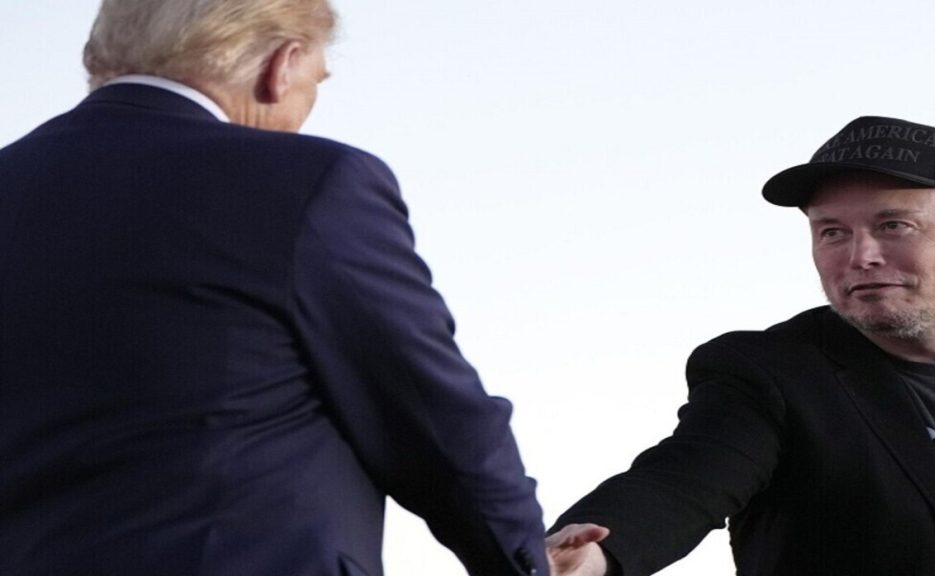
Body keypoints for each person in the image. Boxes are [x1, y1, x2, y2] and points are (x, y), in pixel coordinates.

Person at [0, 1, 546, 575]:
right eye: (317, 81)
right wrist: (525, 559)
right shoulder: (308, 184)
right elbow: (431, 416)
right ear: (281, 65)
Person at [545, 115, 935, 576]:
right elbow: (683, 480)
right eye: (832, 232)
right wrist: (596, 554)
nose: (861, 256)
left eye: (894, 225)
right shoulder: (771, 374)